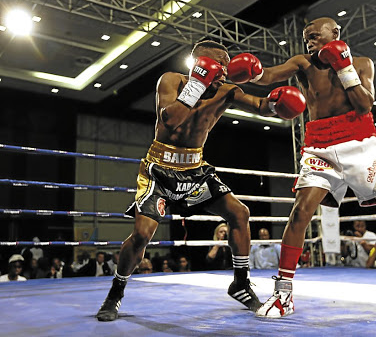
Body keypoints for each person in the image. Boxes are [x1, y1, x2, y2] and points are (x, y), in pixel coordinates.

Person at [228, 16, 376, 317]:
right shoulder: (303, 63)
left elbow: (365, 104)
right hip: (319, 144)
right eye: (306, 37)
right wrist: (252, 71)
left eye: (315, 35)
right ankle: (283, 293)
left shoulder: (363, 63)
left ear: (335, 33)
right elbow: (268, 76)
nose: (309, 41)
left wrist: (343, 65)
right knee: (301, 211)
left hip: (360, 140)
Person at [96, 40, 306, 321]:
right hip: (160, 167)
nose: (225, 69)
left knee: (239, 213)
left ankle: (240, 283)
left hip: (195, 168)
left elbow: (259, 104)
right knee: (142, 235)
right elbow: (170, 120)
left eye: (227, 64)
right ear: (199, 63)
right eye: (220, 63)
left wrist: (279, 103)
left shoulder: (228, 90)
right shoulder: (171, 81)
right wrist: (197, 83)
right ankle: (115, 293)